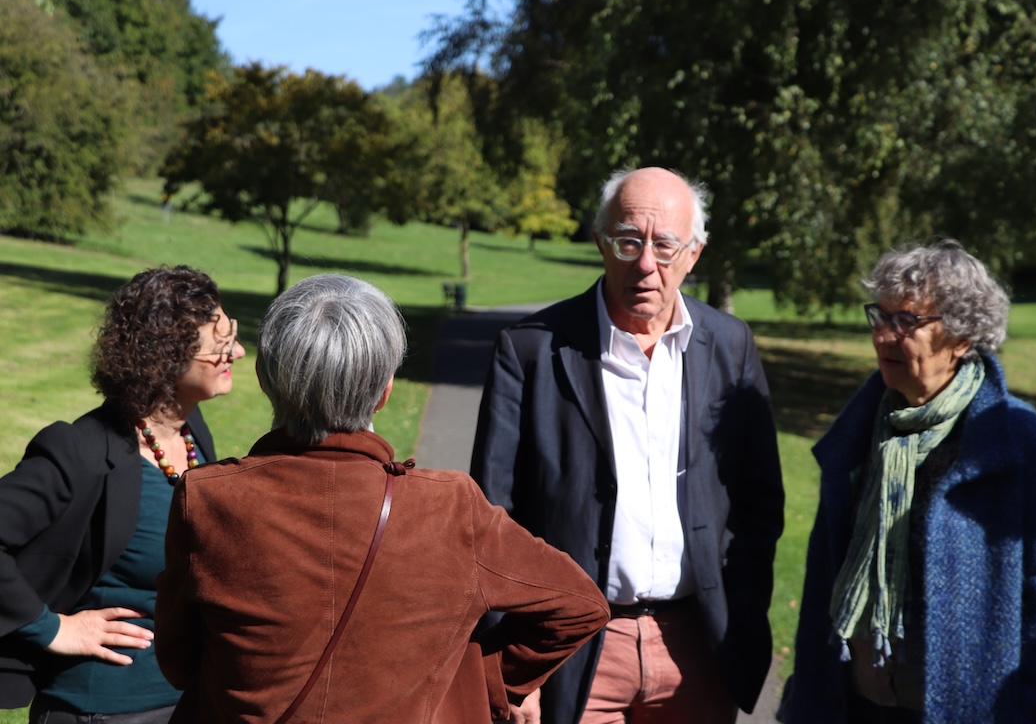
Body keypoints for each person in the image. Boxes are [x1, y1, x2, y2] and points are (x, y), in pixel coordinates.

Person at [154, 273, 609, 724]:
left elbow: (178, 661)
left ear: (264, 376)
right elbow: (579, 604)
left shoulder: (208, 498)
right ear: (385, 391)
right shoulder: (449, 507)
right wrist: (481, 678)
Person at [470, 166, 785, 723]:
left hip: (698, 650)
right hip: (571, 650)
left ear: (694, 253)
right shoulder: (529, 351)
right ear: (600, 243)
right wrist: (516, 665)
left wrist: (743, 605)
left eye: (665, 245)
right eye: (628, 241)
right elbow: (493, 522)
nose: (646, 263)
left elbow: (760, 503)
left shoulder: (731, 346)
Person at [780, 240, 1036, 723]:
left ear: (963, 337)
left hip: (958, 708)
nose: (884, 336)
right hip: (853, 702)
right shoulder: (863, 429)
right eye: (879, 318)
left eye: (905, 321)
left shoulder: (1016, 438)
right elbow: (826, 582)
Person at [0, 266, 245, 723]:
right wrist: (50, 627)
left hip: (183, 700)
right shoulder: (81, 451)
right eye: (222, 344)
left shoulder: (191, 434)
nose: (238, 351)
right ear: (168, 356)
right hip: (101, 710)